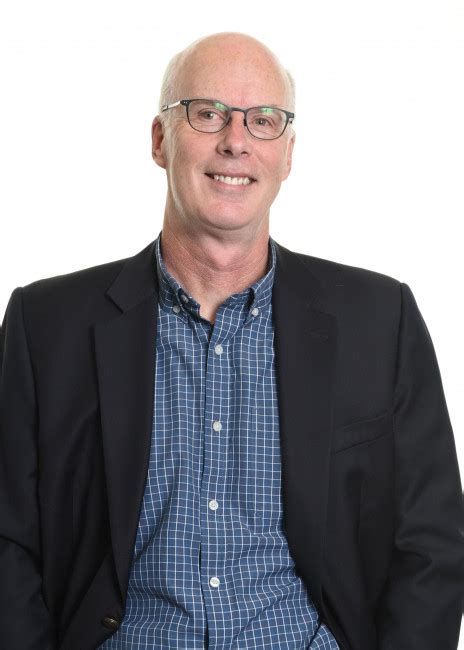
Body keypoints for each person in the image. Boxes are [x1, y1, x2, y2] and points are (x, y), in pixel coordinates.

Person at [0, 31, 463, 650]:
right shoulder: (44, 326)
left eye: (263, 120)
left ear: (288, 154)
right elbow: (8, 540)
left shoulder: (381, 320)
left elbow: (432, 543)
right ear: (160, 140)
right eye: (208, 112)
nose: (236, 141)